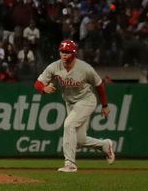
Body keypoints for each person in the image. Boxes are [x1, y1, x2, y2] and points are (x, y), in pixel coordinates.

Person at [35, 38, 116, 173]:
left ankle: (70, 164)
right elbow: (38, 83)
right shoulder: (54, 67)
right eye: (62, 52)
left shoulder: (85, 68)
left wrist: (105, 105)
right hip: (70, 103)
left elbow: (99, 85)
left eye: (67, 52)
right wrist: (43, 88)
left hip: (86, 101)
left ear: (74, 53)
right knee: (79, 140)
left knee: (68, 125)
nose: (64, 55)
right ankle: (105, 145)